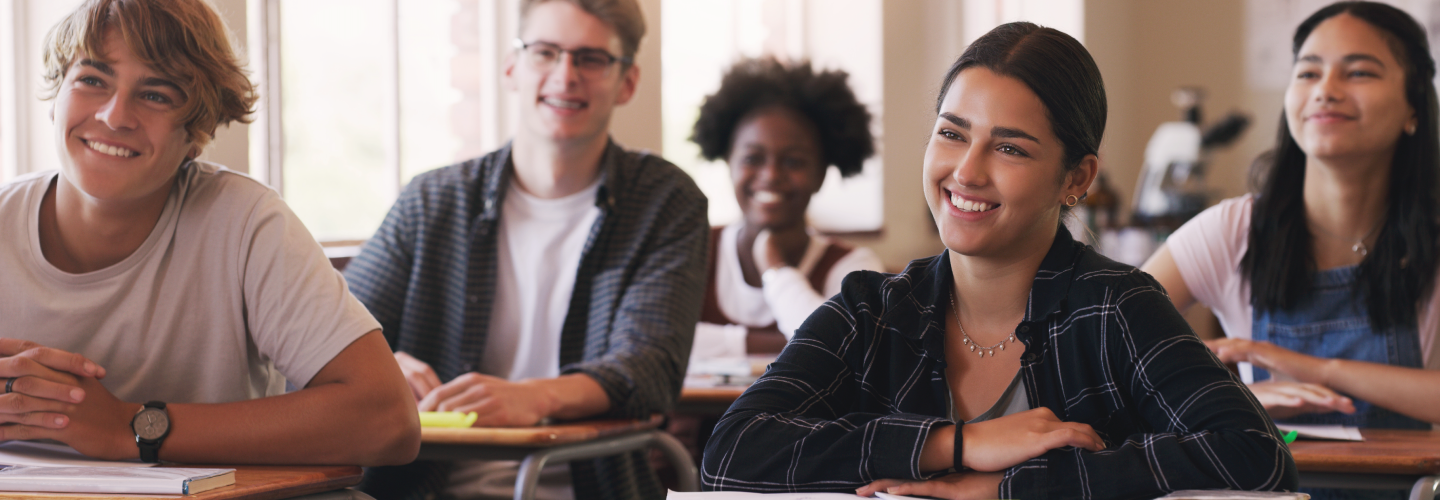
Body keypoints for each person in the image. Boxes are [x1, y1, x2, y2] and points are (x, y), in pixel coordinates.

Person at [702, 22, 1297, 500]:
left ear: (1077, 177)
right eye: (952, 134)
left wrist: (1014, 486)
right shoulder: (871, 308)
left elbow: (1255, 455)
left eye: (1009, 147)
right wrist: (955, 444)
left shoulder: (1116, 306)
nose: (966, 171)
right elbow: (732, 451)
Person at [0, 0, 419, 467]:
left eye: (156, 94)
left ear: (196, 133)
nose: (116, 116)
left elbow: (387, 420)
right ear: (56, 98)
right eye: (92, 80)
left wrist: (129, 426)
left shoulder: (246, 224)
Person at [342, 0, 708, 498]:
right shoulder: (433, 200)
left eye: (591, 58)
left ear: (628, 82)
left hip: (588, 485)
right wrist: (381, 366)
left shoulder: (664, 201)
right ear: (512, 67)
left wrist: (534, 397)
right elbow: (333, 336)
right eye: (545, 52)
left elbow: (649, 368)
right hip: (422, 486)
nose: (565, 74)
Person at [1144, 1, 1440, 432]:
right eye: (1308, 72)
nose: (1326, 90)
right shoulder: (1231, 231)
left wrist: (1320, 370)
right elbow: (1107, 358)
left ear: (1414, 107)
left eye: (1359, 72)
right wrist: (1232, 397)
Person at [687, 57, 885, 361]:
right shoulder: (693, 250)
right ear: (729, 164)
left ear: (820, 175)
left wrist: (776, 269)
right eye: (753, 158)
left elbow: (845, 353)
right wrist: (776, 343)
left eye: (793, 162)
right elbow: (659, 342)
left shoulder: (853, 269)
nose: (771, 176)